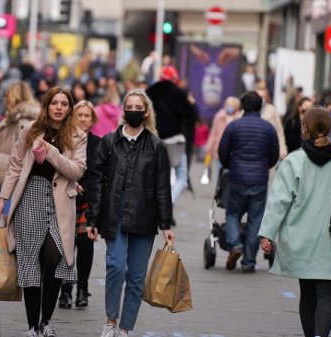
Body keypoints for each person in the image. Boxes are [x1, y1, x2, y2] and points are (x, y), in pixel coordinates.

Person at [0, 87, 87, 337]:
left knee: (53, 260)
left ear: (69, 108)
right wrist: (4, 197)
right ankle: (32, 326)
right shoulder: (30, 130)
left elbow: (77, 171)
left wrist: (52, 154)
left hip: (59, 203)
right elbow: (14, 166)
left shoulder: (77, 135)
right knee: (30, 262)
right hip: (30, 199)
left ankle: (47, 321)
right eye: (54, 103)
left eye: (64, 104)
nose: (58, 108)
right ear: (46, 106)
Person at [86, 89, 175, 337]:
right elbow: (96, 180)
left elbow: (162, 187)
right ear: (123, 110)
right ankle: (110, 321)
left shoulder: (156, 146)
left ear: (146, 111)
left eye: (138, 107)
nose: (134, 110)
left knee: (136, 275)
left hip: (144, 213)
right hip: (114, 210)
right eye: (129, 106)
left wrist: (166, 224)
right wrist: (92, 218)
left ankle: (125, 328)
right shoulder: (109, 141)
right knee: (116, 266)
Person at [258, 107, 331, 337]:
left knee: (308, 293)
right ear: (329, 129)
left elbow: (279, 201)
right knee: (328, 294)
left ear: (304, 129)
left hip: (301, 239)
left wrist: (267, 233)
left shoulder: (294, 161)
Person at [218, 91, 279, 273]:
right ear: (260, 106)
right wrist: (263, 168)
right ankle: (249, 262)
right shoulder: (269, 129)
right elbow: (274, 155)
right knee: (255, 219)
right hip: (259, 180)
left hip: (237, 178)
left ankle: (235, 245)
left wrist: (231, 165)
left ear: (242, 106)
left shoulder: (233, 126)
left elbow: (223, 152)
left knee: (232, 214)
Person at [58, 100, 101, 309]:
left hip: (88, 201)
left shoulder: (98, 143)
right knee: (66, 245)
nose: (83, 119)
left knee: (85, 244)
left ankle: (82, 288)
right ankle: (65, 289)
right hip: (67, 198)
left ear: (93, 119)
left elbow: (100, 174)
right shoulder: (65, 139)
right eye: (79, 115)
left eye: (87, 115)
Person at [146, 77, 197, 206]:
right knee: (181, 175)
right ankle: (169, 202)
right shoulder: (178, 93)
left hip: (155, 139)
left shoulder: (150, 92)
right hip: (175, 139)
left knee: (159, 174)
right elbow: (191, 117)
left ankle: (157, 202)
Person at [0, 82, 40, 215]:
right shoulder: (13, 118)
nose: (5, 99)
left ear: (14, 96)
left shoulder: (23, 121)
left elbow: (25, 154)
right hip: (9, 182)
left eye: (7, 95)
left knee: (11, 228)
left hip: (15, 183)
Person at [204, 96, 242, 170]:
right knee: (221, 170)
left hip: (235, 150)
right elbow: (213, 133)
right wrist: (209, 148)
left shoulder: (239, 118)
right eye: (228, 104)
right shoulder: (219, 116)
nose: (229, 106)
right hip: (220, 149)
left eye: (231, 104)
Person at [256, 81, 287, 159]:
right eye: (260, 88)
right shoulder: (247, 110)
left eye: (264, 89)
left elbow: (279, 131)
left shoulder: (272, 110)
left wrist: (282, 150)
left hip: (269, 151)